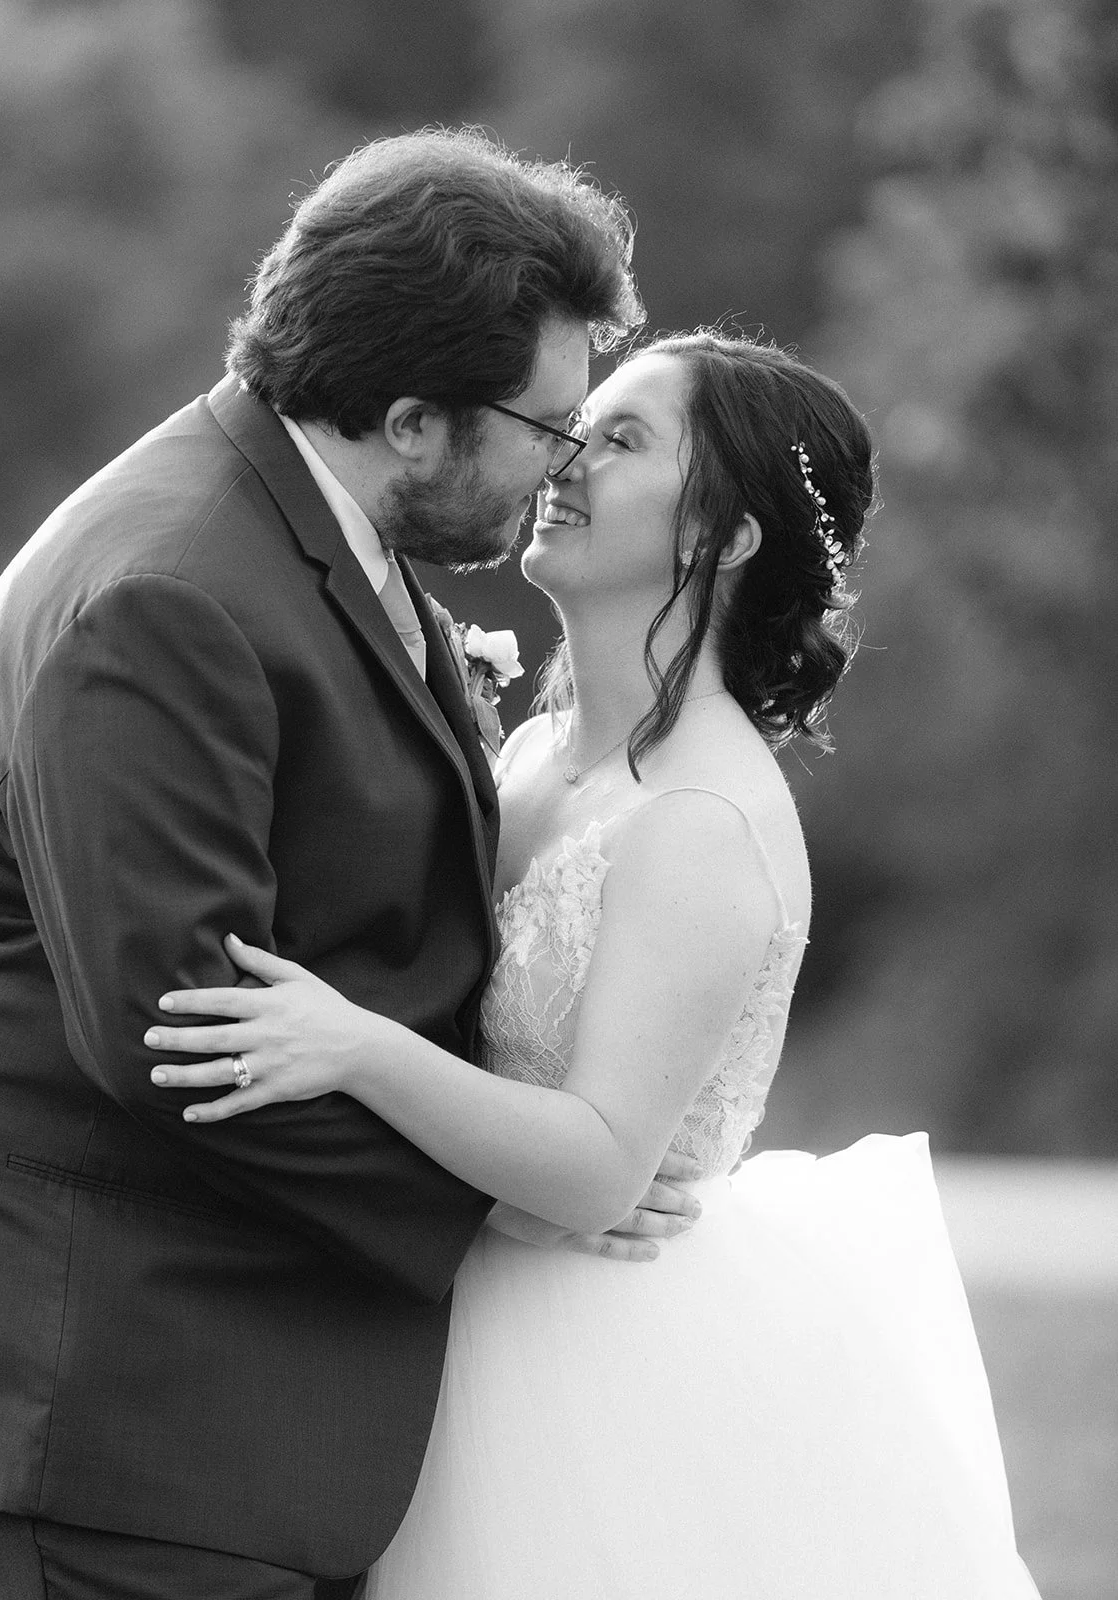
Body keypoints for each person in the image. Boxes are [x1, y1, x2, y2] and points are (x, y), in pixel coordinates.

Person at [0, 128, 688, 1600]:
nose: (561, 470)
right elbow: (182, 1038)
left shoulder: (301, 522)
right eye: (548, 429)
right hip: (96, 1377)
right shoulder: (170, 593)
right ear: (411, 420)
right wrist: (510, 1189)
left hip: (216, 1369)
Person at [147, 331, 1044, 1598]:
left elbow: (598, 1165)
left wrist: (353, 1045)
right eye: (576, 428)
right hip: (451, 1320)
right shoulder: (529, 756)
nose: (564, 460)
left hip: (607, 1361)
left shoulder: (701, 817)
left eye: (621, 440)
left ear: (722, 534)